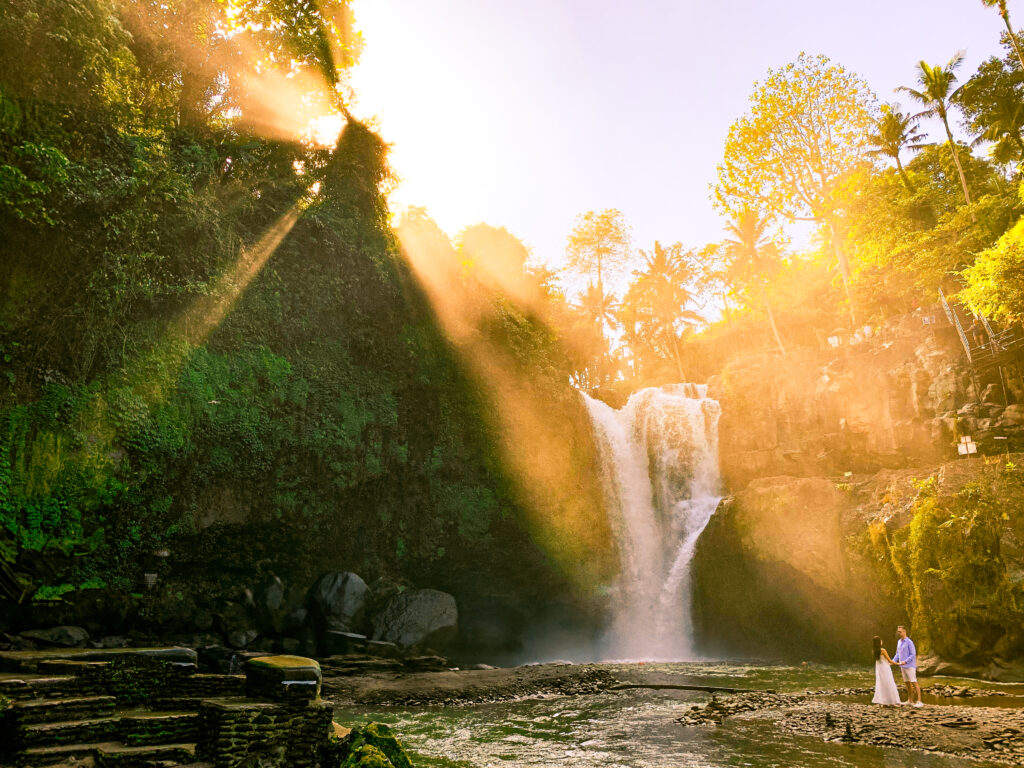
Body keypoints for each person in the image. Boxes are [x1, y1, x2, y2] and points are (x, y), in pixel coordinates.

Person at [892, 625, 923, 707]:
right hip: (902, 666)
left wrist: (905, 662)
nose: (898, 633)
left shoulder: (909, 642)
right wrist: (892, 661)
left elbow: (913, 654)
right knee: (907, 684)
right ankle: (910, 700)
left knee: (914, 682)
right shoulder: (899, 642)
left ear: (904, 632)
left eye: (900, 631)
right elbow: (897, 654)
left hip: (910, 666)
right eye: (898, 631)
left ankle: (919, 701)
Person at [871, 635, 901, 705]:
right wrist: (898, 663)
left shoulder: (874, 651)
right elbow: (889, 660)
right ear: (879, 642)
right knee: (889, 682)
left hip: (879, 668)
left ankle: (883, 700)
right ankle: (891, 700)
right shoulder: (883, 650)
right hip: (885, 668)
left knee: (882, 683)